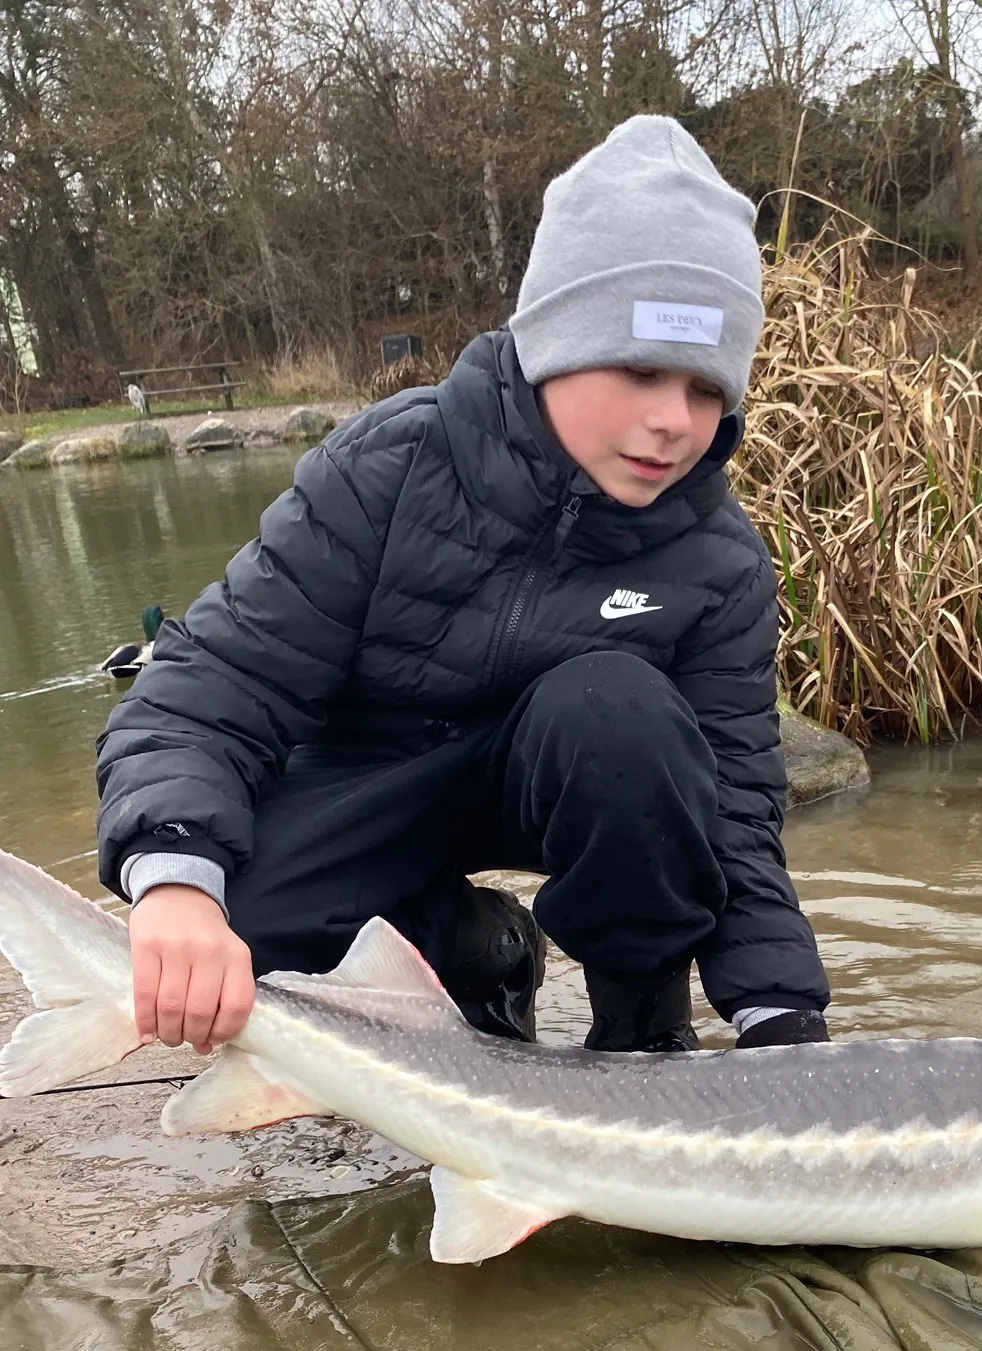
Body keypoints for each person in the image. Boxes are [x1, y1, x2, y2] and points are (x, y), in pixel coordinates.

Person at [95, 116, 831, 1058]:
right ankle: (475, 954)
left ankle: (642, 1039)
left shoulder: (719, 559)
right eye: (641, 369)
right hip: (368, 777)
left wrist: (783, 1018)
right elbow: (204, 695)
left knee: (621, 713)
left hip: (555, 772)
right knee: (246, 931)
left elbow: (734, 812)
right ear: (554, 345)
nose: (671, 423)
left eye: (704, 390)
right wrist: (177, 884)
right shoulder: (386, 466)